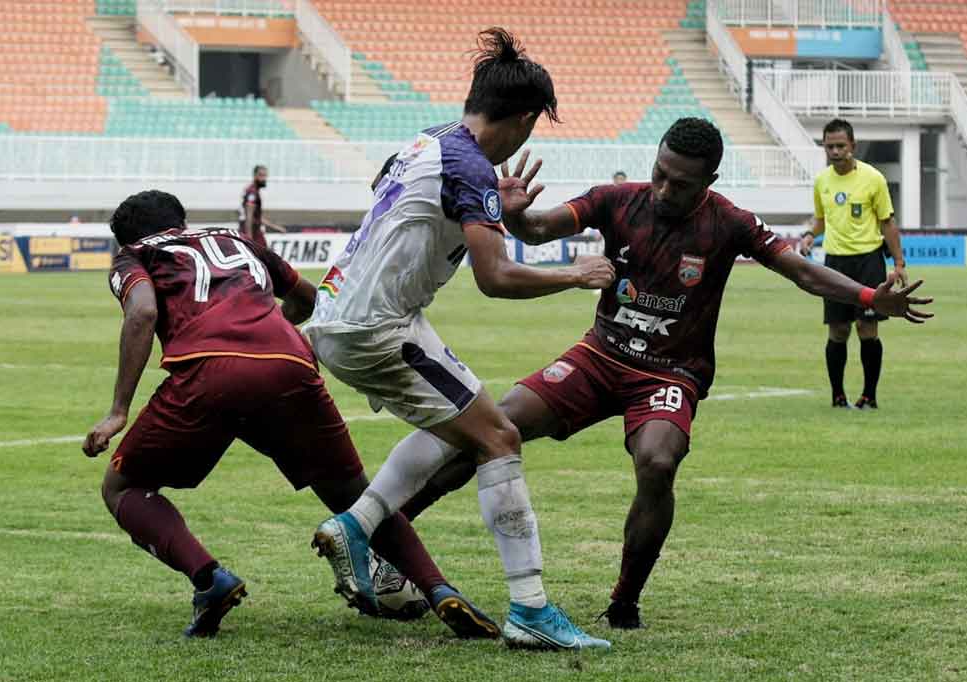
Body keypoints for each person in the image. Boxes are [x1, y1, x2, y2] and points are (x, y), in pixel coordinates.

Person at [395, 117, 934, 631]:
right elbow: (535, 230)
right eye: (658, 172)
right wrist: (512, 214)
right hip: (600, 355)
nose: (661, 188)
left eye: (679, 183)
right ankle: (389, 538)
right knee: (496, 426)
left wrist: (867, 295)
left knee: (657, 460)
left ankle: (625, 600)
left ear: (709, 182)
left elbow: (800, 270)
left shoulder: (729, 222)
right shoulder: (616, 200)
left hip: (671, 374)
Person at [302, 28, 615, 651]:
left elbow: (388, 199)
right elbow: (495, 279)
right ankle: (530, 609)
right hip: (378, 329)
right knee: (498, 437)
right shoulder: (470, 168)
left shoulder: (431, 140)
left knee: (464, 421)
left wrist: (485, 203)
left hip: (339, 312)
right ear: (525, 118)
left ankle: (358, 525)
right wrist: (575, 273)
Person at [82, 190, 498, 640]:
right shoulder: (236, 240)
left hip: (208, 370)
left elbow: (142, 311)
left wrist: (118, 410)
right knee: (352, 495)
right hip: (290, 363)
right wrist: (267, 333)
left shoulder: (134, 254)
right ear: (179, 219)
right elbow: (307, 297)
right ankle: (439, 589)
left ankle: (209, 579)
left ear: (126, 238)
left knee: (122, 486)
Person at [799, 119, 906, 409]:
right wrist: (810, 234)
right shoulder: (822, 181)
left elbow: (887, 222)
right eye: (829, 146)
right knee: (838, 330)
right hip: (834, 263)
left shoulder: (873, 179)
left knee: (867, 329)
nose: (835, 151)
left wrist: (898, 263)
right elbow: (821, 218)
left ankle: (869, 395)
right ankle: (838, 396)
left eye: (840, 146)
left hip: (869, 261)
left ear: (853, 146)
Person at [238, 165, 286, 249]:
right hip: (252, 233)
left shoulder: (254, 191)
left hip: (256, 232)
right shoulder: (252, 192)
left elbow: (256, 217)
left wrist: (275, 227)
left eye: (265, 176)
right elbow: (249, 217)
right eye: (261, 175)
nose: (264, 179)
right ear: (255, 176)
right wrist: (249, 239)